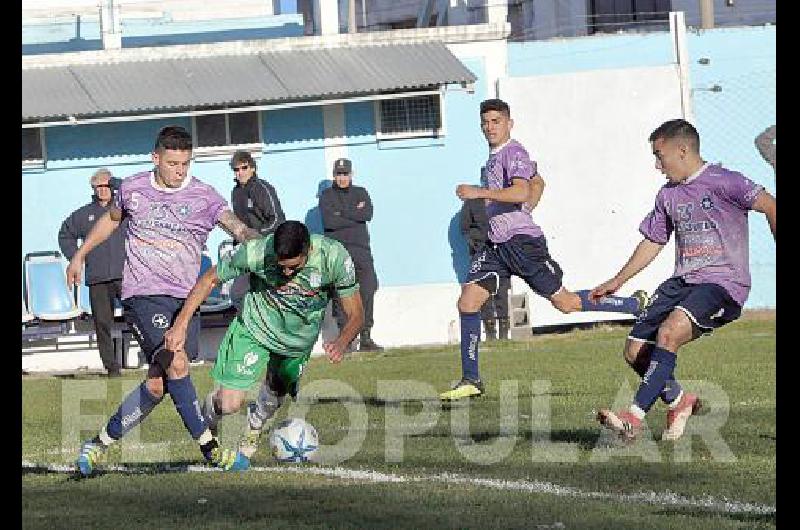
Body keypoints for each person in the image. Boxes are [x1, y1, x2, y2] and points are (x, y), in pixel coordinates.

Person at [66, 125, 261, 476]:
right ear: (156, 158)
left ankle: (96, 446)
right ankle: (212, 450)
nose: (180, 171)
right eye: (173, 163)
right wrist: (80, 255)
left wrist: (255, 240)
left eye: (185, 163)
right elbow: (110, 222)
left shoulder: (204, 196)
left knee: (157, 386)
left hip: (186, 299)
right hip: (143, 295)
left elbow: (235, 226)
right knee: (177, 364)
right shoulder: (133, 189)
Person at [440, 98, 648, 401]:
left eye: (496, 121)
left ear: (510, 123)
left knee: (565, 304)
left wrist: (480, 193)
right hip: (496, 246)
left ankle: (632, 306)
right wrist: (526, 206)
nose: (489, 127)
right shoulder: (493, 159)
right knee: (468, 302)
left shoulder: (514, 152)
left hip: (522, 245)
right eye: (485, 122)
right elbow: (538, 182)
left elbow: (524, 188)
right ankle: (471, 379)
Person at [592, 118, 776, 442]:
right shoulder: (667, 195)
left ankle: (632, 418)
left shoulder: (724, 181)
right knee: (634, 351)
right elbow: (653, 241)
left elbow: (770, 206)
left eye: (659, 155)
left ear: (682, 150)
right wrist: (618, 279)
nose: (657, 165)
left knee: (669, 332)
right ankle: (680, 402)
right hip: (683, 282)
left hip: (722, 283)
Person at [163, 220, 364, 461]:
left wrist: (342, 341)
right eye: (281, 267)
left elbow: (356, 313)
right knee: (228, 404)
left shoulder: (334, 257)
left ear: (308, 250)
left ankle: (255, 425)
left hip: (296, 342)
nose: (286, 274)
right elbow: (210, 279)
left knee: (273, 396)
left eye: (293, 268)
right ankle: (209, 418)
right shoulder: (257, 252)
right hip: (255, 329)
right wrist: (181, 324)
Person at [58, 168, 126, 377]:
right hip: (97, 278)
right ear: (93, 189)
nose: (103, 190)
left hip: (126, 274)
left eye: (107, 185)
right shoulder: (83, 215)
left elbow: (129, 188)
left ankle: (152, 361)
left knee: (137, 317)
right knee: (103, 323)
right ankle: (112, 368)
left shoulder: (125, 209)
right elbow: (65, 235)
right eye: (99, 186)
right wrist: (78, 258)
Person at [319, 158, 383, 352]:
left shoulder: (361, 192)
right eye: (338, 174)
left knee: (368, 289)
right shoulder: (326, 196)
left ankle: (365, 337)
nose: (342, 178)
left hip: (361, 250)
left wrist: (342, 214)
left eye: (345, 173)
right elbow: (330, 222)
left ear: (351, 174)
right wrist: (354, 213)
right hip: (338, 253)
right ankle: (344, 340)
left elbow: (368, 214)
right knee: (340, 295)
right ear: (334, 175)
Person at [229, 150, 286, 310]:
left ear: (252, 168)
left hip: (266, 249)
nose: (240, 172)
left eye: (244, 168)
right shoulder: (236, 192)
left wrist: (257, 234)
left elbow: (277, 220)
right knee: (238, 294)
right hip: (246, 250)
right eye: (236, 169)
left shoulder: (262, 188)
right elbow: (240, 224)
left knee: (270, 294)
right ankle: (256, 328)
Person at [460, 192, 510, 341]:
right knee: (482, 290)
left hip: (501, 251)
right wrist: (475, 244)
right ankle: (490, 333)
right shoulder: (472, 203)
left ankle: (504, 334)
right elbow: (464, 227)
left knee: (502, 290)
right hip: (481, 252)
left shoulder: (504, 200)